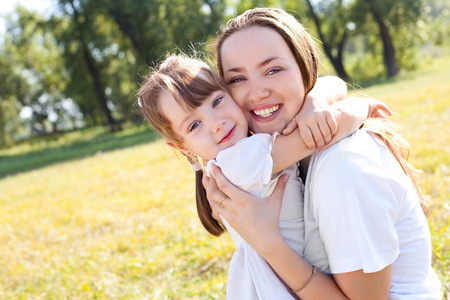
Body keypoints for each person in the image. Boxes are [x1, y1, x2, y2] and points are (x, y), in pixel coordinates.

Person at [206, 7, 442, 299]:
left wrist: (268, 244)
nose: (256, 93)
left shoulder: (344, 171)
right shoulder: (276, 158)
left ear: (306, 69)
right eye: (237, 79)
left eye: (273, 70)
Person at [137, 54, 389, 299]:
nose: (216, 123)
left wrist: (316, 98)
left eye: (216, 102)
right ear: (181, 147)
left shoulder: (230, 159)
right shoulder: (241, 162)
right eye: (194, 125)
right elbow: (323, 131)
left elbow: (333, 83)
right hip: (288, 283)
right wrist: (363, 106)